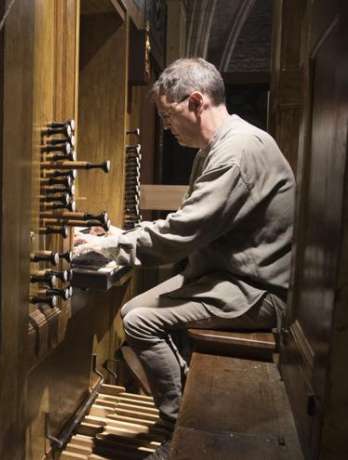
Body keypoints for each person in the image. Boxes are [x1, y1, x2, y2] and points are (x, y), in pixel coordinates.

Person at [72, 58, 295, 460]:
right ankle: (185, 391)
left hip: (257, 291)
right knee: (136, 309)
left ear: (196, 102)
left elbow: (182, 234)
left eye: (167, 115)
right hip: (223, 274)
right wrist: (120, 236)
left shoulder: (237, 153)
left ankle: (178, 433)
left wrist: (112, 247)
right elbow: (189, 225)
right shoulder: (217, 148)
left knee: (140, 321)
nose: (165, 126)